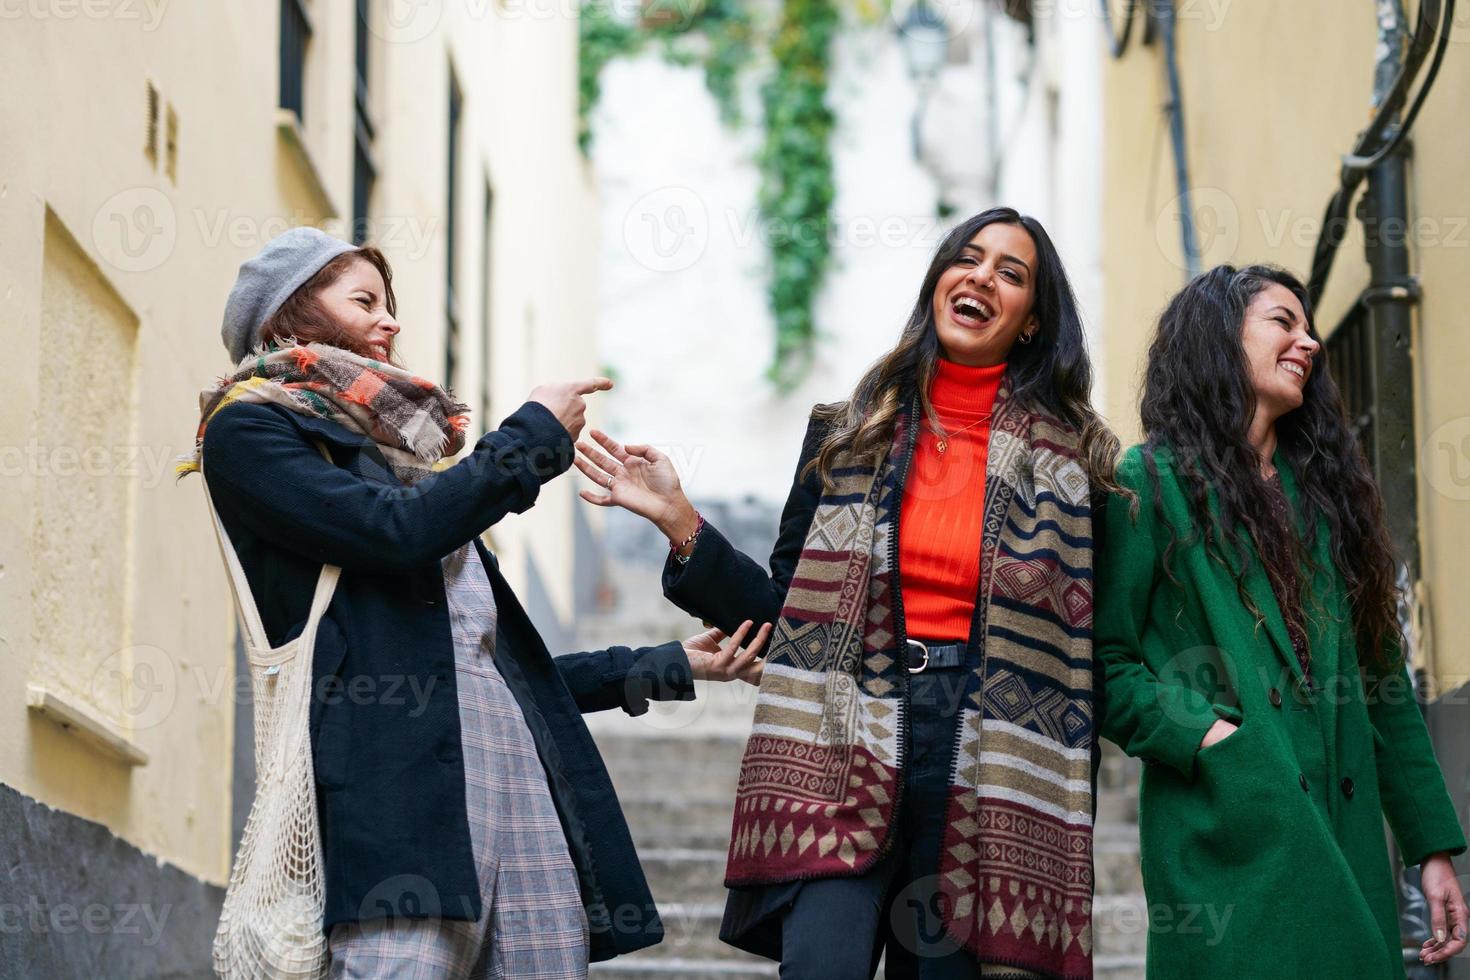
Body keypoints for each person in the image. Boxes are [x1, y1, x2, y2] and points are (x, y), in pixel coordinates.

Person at [179, 226, 770, 978]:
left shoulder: (407, 470)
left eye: (390, 304)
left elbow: (500, 673)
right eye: (364, 300)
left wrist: (669, 663)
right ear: (287, 315)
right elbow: (393, 535)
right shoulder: (248, 429)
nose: (390, 320)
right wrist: (528, 438)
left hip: (519, 790)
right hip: (398, 798)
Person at [574, 207, 1117, 978]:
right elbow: (781, 622)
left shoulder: (1079, 469)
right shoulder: (848, 434)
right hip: (841, 734)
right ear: (938, 284)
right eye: (968, 259)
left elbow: (1094, 651)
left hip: (988, 758)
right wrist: (679, 520)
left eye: (1011, 273)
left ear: (1033, 321)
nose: (982, 278)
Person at [1095, 264, 1468, 977]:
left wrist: (1432, 849)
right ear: (1217, 338)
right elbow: (1104, 660)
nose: (1309, 342)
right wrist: (1207, 737)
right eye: (1283, 321)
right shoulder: (1148, 482)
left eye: (1309, 326)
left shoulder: (1332, 502)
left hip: (1344, 832)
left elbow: (1385, 686)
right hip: (1228, 831)